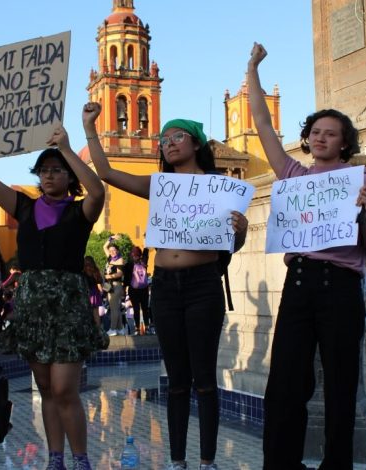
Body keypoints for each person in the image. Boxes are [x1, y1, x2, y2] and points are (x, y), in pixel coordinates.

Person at [85, 102, 249, 470]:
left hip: (204, 285)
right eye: (164, 139)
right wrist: (89, 128)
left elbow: (231, 246)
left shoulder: (220, 187)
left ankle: (207, 461)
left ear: (196, 144)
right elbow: (108, 172)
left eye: (178, 137)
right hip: (165, 288)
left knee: (204, 378)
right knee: (176, 379)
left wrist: (238, 232)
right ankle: (177, 461)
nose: (169, 143)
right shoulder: (160, 186)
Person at [247, 42, 366, 470]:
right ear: (307, 138)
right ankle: (283, 464)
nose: (321, 137)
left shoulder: (361, 180)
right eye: (315, 131)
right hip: (301, 283)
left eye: (331, 132)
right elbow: (263, 124)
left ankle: (337, 465)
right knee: (285, 384)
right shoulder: (294, 175)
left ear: (344, 143)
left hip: (341, 287)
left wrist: (362, 214)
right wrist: (252, 68)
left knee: (342, 386)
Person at [0, 110, 106, 470]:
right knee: (46, 389)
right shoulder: (24, 207)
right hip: (32, 305)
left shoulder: (82, 211)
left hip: (67, 305)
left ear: (69, 176)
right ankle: (56, 458)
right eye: (44, 170)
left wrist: (66, 147)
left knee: (65, 389)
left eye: (57, 169)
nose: (49, 175)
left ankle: (81, 459)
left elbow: (98, 189)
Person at [124, 246, 151, 334]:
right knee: (136, 309)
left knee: (145, 308)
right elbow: (126, 278)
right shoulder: (130, 264)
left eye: (136, 254)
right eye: (133, 254)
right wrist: (124, 288)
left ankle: (146, 327)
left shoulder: (143, 262)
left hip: (142, 289)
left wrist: (146, 243)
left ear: (139, 255)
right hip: (134, 289)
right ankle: (138, 328)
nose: (134, 256)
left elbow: (146, 253)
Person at [103, 237, 126, 336]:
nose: (112, 252)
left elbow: (120, 273)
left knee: (114, 308)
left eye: (114, 250)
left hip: (116, 285)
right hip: (109, 285)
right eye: (110, 250)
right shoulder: (110, 258)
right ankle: (120, 328)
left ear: (117, 251)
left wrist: (109, 276)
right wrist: (111, 238)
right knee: (115, 307)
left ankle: (113, 329)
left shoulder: (120, 260)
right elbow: (104, 246)